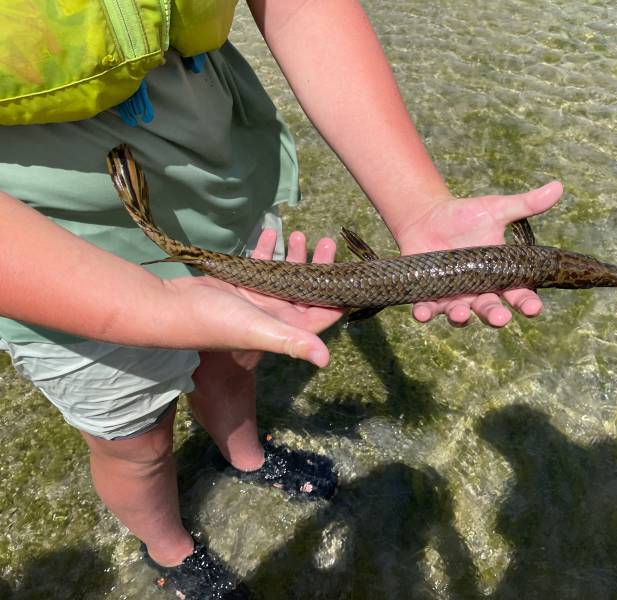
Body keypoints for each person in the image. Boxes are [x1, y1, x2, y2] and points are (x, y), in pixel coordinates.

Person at [0, 0, 562, 597]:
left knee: (237, 361)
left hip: (222, 197)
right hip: (55, 266)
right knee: (136, 444)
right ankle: (169, 548)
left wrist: (417, 204)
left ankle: (245, 454)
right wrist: (158, 307)